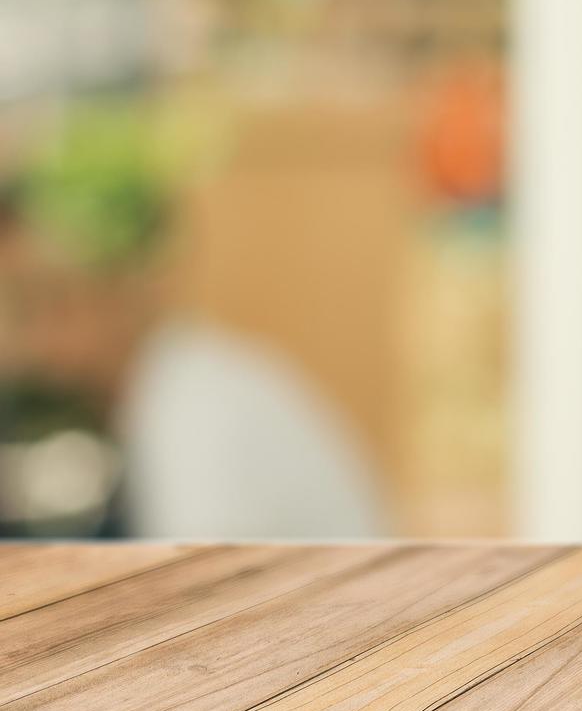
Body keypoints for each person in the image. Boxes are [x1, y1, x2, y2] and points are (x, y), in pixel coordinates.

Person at [0, 130, 382, 539]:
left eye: (49, 303)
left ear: (124, 290)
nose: (28, 340)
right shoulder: (175, 388)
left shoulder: (201, 417)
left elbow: (203, 591)